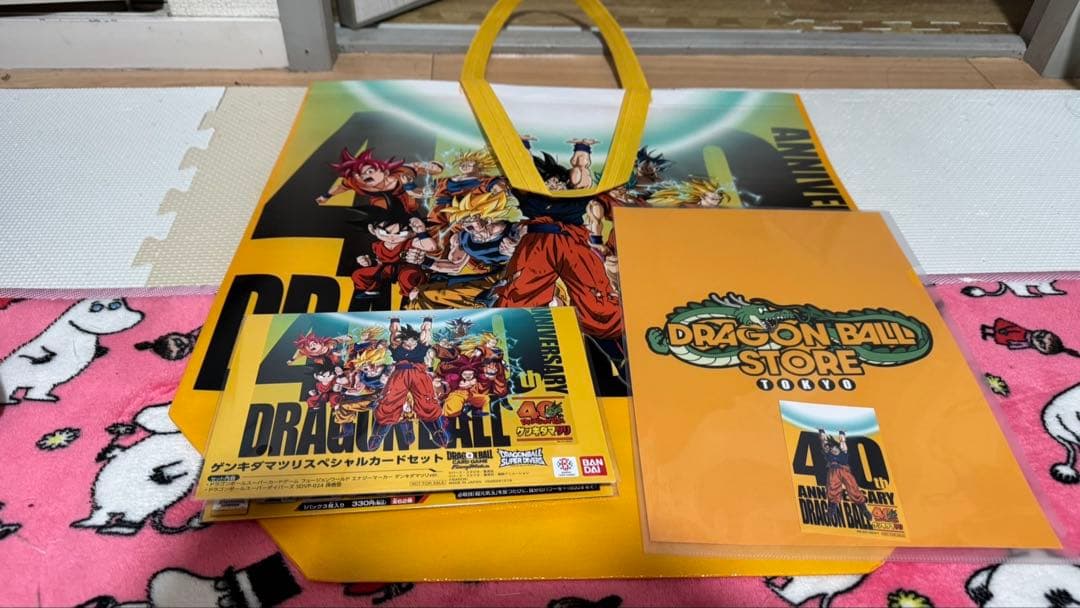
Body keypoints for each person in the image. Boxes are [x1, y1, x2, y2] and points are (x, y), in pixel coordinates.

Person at [369, 317, 448, 450]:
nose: (411, 343)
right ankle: (378, 434)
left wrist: (428, 320)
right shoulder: (397, 346)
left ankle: (437, 431)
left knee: (426, 400)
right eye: (407, 341)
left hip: (419, 374)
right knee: (390, 400)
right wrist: (394, 320)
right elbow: (394, 331)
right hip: (400, 375)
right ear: (403, 341)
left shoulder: (422, 345)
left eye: (413, 341)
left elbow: (426, 331)